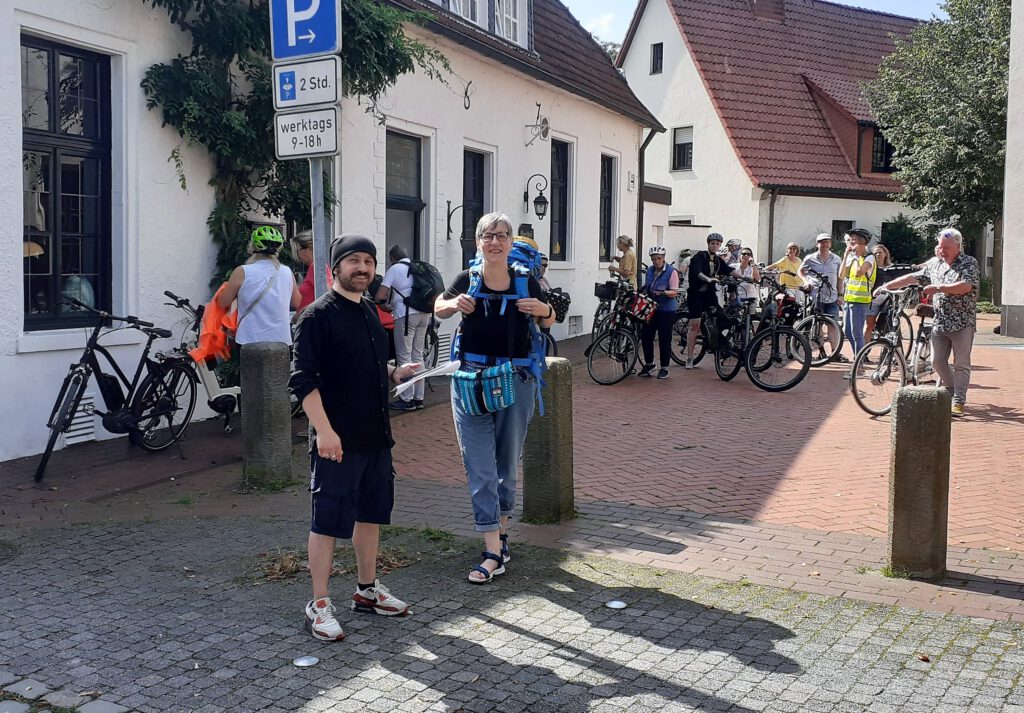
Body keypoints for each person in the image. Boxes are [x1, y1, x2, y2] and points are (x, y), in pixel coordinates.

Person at [289, 234, 420, 642]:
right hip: (336, 441)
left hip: (375, 438)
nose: (362, 268)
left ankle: (366, 591)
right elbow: (303, 381)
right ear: (335, 268)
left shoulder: (368, 312)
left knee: (370, 515)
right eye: (354, 261)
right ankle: (320, 603)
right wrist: (325, 432)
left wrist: (394, 373)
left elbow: (366, 367)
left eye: (368, 261)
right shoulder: (316, 317)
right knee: (327, 520)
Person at [434, 212, 555, 584]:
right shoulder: (467, 279)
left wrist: (543, 310)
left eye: (502, 235)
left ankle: (501, 537)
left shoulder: (525, 280)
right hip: (471, 380)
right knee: (479, 467)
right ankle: (491, 548)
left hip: (515, 380)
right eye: (488, 235)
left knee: (506, 463)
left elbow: (551, 318)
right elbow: (437, 307)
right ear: (478, 241)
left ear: (510, 241)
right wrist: (454, 305)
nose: (495, 242)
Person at [875, 228, 979, 417]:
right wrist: (887, 286)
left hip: (963, 321)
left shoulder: (968, 263)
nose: (942, 250)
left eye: (946, 247)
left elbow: (966, 286)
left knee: (961, 363)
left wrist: (938, 288)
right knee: (937, 361)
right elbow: (912, 277)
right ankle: (951, 387)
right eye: (940, 246)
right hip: (940, 320)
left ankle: (958, 400)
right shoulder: (936, 264)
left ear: (958, 246)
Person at [217, 225, 301, 345]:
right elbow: (297, 303)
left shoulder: (242, 272)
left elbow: (222, 302)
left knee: (250, 365)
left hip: (249, 340)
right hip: (280, 341)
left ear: (252, 246)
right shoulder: (287, 272)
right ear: (279, 248)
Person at [375, 246, 432, 411]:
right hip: (424, 314)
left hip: (405, 315)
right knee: (418, 355)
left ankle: (406, 399)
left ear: (392, 257)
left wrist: (384, 305)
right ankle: (418, 398)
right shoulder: (418, 267)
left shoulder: (395, 268)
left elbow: (380, 295)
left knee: (404, 356)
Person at [685, 232, 741, 369]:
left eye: (717, 244)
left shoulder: (717, 260)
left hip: (709, 296)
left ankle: (719, 346)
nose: (715, 246)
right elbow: (697, 271)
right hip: (696, 295)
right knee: (695, 325)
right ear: (708, 244)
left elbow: (728, 270)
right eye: (712, 243)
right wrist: (708, 278)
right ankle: (690, 358)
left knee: (723, 319)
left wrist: (747, 278)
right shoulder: (700, 256)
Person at [637, 245, 680, 379]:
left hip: (666, 310)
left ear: (664, 258)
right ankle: (650, 363)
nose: (656, 261)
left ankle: (665, 368)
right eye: (654, 259)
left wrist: (665, 292)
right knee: (646, 336)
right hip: (651, 308)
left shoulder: (671, 272)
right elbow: (648, 286)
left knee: (664, 339)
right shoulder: (650, 270)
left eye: (659, 259)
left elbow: (674, 291)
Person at [799, 233, 844, 360]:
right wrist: (806, 281)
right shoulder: (810, 258)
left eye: (826, 242)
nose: (824, 244)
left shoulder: (836, 259)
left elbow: (840, 277)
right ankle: (821, 351)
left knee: (833, 325)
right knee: (818, 326)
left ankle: (835, 353)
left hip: (832, 297)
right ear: (817, 244)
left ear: (830, 244)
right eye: (821, 242)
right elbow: (800, 270)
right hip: (816, 297)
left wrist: (841, 295)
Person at [838, 228, 876, 362]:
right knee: (847, 331)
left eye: (853, 240)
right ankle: (860, 358)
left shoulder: (869, 257)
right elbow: (841, 275)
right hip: (849, 299)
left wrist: (858, 256)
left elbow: (860, 272)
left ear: (863, 242)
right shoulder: (852, 257)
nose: (850, 243)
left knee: (857, 333)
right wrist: (845, 257)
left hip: (860, 300)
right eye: (850, 240)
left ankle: (858, 363)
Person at [864, 243, 894, 344]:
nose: (878, 255)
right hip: (873, 300)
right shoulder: (870, 269)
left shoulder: (891, 269)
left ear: (885, 254)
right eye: (875, 253)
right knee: (869, 326)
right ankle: (864, 352)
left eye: (880, 252)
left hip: (887, 301)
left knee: (887, 327)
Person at [293, 229, 316, 315]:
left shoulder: (315, 267)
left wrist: (304, 312)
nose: (297, 255)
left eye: (298, 250)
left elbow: (326, 295)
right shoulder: (315, 267)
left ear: (308, 249)